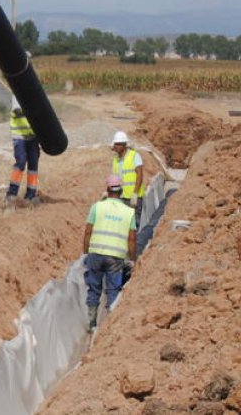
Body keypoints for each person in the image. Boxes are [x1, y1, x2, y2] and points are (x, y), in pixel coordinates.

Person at [82, 174, 138, 331]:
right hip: (116, 257)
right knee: (113, 289)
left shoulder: (97, 207)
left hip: (96, 253)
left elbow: (87, 232)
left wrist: (86, 252)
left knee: (94, 288)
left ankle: (92, 324)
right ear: (121, 192)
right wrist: (133, 259)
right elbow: (132, 239)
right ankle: (110, 328)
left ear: (107, 190)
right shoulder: (129, 212)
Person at [7, 97, 39, 204]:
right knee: (21, 162)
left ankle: (31, 196)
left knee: (33, 165)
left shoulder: (35, 91)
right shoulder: (19, 91)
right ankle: (11, 194)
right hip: (19, 135)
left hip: (33, 135)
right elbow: (17, 110)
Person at [110, 131, 145, 214]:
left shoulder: (134, 156)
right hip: (120, 196)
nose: (116, 147)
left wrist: (135, 193)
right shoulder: (115, 159)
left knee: (134, 223)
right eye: (115, 144)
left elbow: (139, 175)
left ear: (125, 145)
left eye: (119, 144)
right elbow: (114, 178)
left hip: (132, 197)